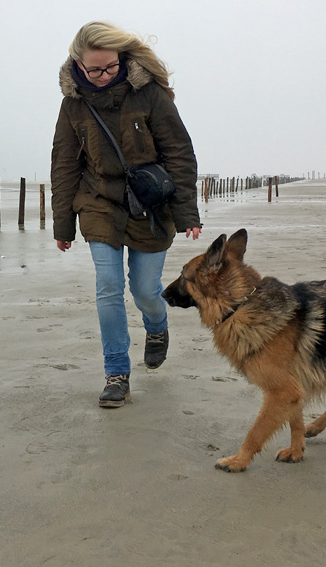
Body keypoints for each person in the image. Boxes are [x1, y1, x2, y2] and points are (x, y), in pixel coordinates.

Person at [50, 21, 201, 408]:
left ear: (122, 59)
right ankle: (116, 373)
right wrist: (63, 224)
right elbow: (65, 164)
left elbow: (179, 153)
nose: (102, 76)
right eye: (94, 69)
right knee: (108, 286)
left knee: (146, 291)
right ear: (78, 65)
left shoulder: (149, 94)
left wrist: (187, 214)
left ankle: (157, 326)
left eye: (110, 67)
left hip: (149, 206)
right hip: (98, 203)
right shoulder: (73, 104)